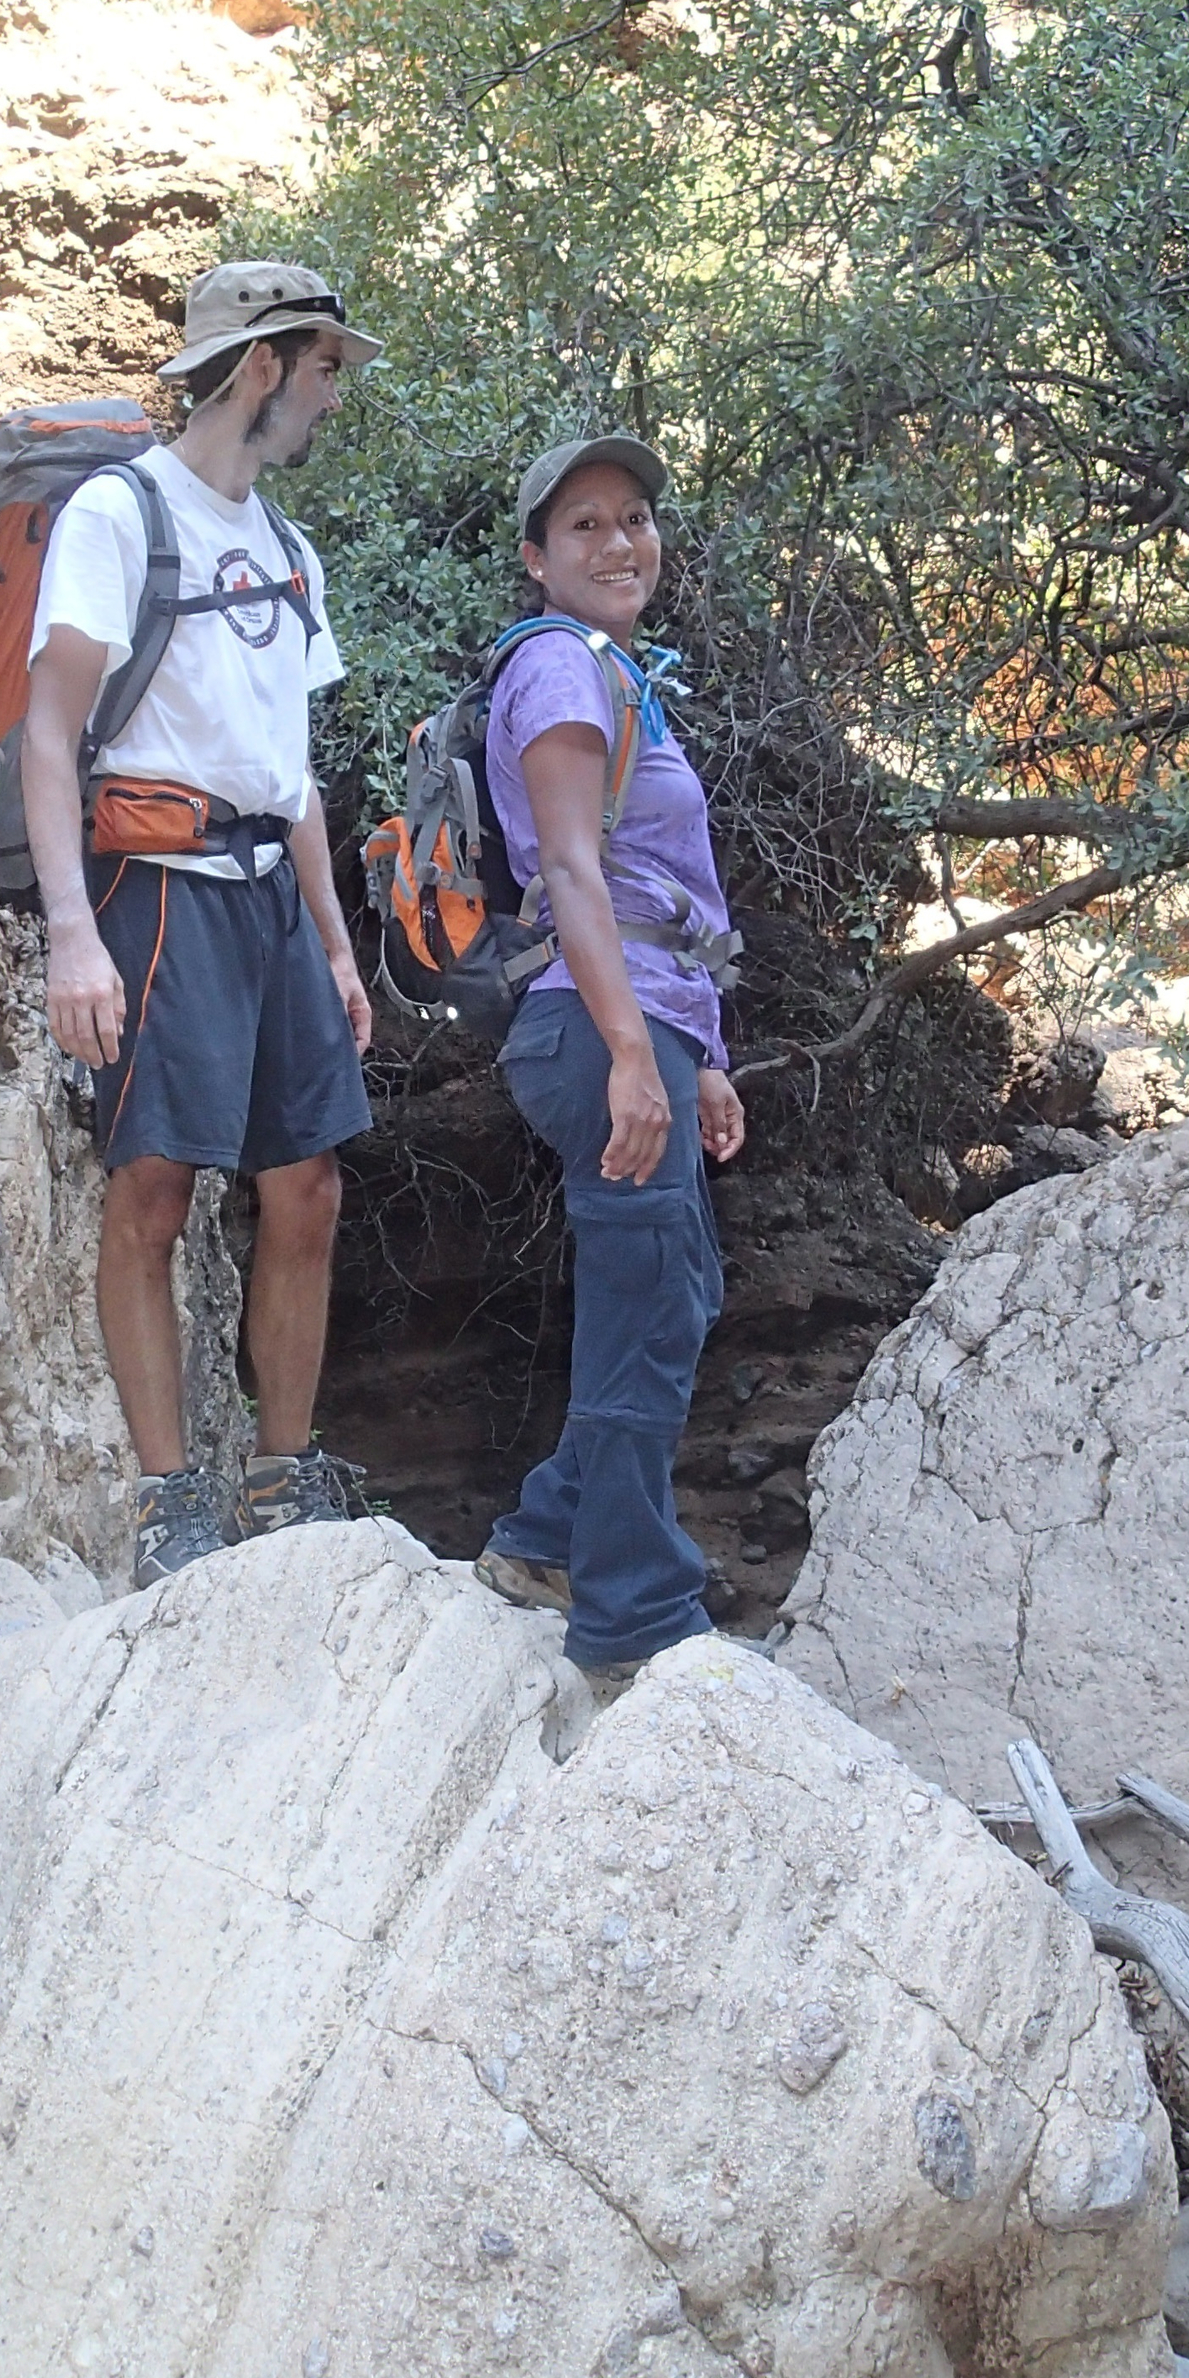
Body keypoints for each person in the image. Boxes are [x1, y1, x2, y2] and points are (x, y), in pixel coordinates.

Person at [21, 261, 379, 1583]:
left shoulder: (292, 555)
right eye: (326, 364)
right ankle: (167, 1496)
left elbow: (291, 775)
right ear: (262, 367)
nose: (336, 392)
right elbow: (49, 730)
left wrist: (338, 946)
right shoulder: (120, 516)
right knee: (155, 1185)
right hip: (157, 890)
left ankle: (281, 1476)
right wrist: (72, 929)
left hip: (271, 901)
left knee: (310, 1183)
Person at [473, 435, 745, 1691]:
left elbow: (650, 892)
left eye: (633, 518)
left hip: (636, 1019)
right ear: (536, 560)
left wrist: (693, 1057)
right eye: (581, 526)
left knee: (673, 1291)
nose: (617, 542)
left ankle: (543, 1538)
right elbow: (572, 874)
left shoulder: (614, 673)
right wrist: (636, 1053)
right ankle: (636, 1612)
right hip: (598, 1022)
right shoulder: (561, 673)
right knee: (642, 1304)